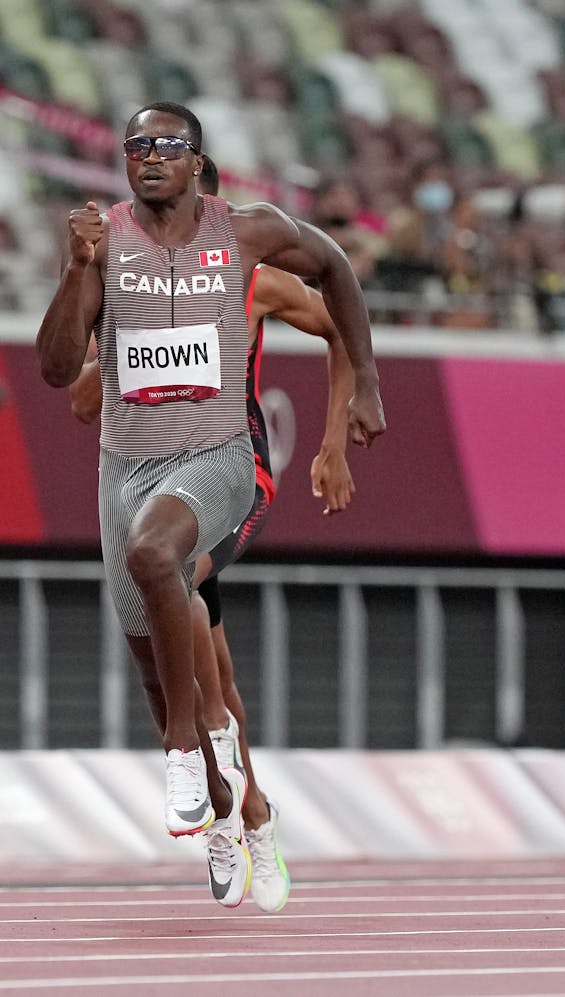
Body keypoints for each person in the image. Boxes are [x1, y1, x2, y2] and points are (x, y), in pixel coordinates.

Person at [35, 101, 385, 904]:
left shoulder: (253, 264)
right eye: (138, 149)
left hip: (233, 464)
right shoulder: (113, 253)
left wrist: (339, 429)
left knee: (172, 577)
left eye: (170, 151)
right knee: (183, 660)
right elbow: (73, 388)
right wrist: (82, 289)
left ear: (201, 173)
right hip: (136, 466)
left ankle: (210, 761)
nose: (151, 160)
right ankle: (238, 801)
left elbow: (339, 314)